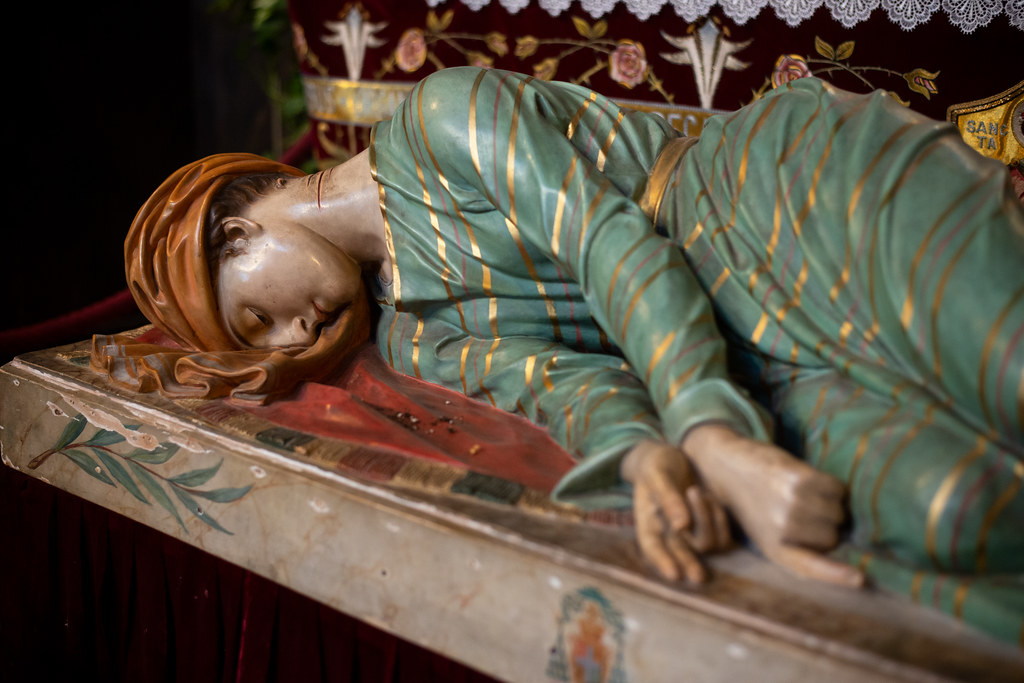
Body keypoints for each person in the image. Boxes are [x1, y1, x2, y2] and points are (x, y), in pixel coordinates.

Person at [93, 67, 1024, 642]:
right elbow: (569, 386)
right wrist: (654, 457)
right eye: (268, 344)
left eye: (256, 318)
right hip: (746, 359)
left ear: (236, 225)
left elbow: (610, 242)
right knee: (955, 513)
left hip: (785, 198)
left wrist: (705, 431)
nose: (294, 341)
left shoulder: (439, 121)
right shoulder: (417, 333)